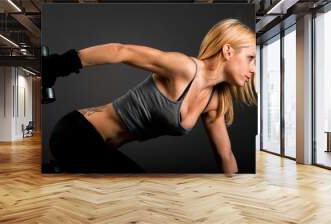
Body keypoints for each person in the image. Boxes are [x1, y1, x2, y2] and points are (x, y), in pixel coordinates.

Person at [45, 18, 257, 176]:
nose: (253, 69)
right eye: (250, 58)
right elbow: (122, 51)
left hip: (100, 149)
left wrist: (235, 192)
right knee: (140, 188)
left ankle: (61, 169)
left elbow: (226, 156)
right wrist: (60, 65)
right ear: (228, 51)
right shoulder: (185, 69)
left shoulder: (214, 101)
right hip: (77, 133)